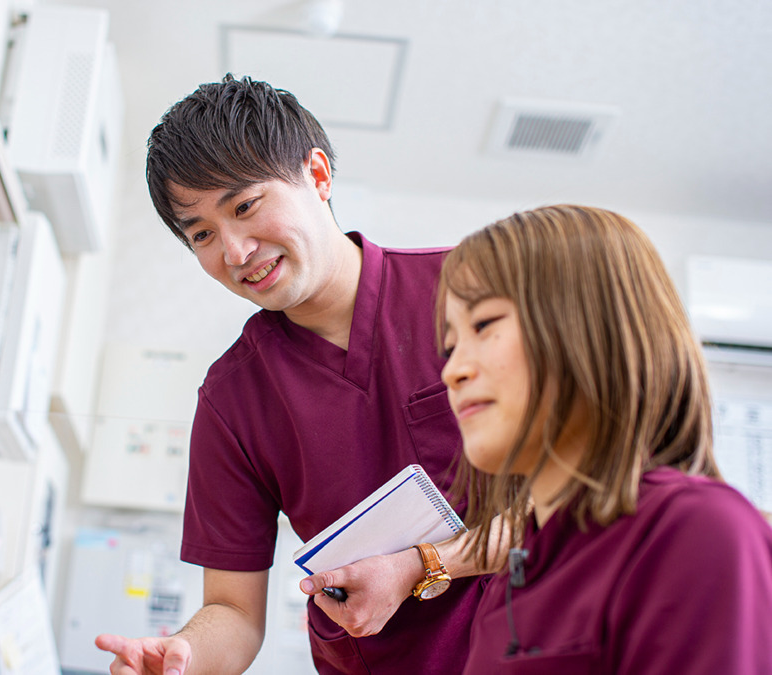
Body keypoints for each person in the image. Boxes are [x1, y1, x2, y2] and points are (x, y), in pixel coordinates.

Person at [95, 74, 500, 674]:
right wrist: (182, 656)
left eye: (244, 206)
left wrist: (421, 565)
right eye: (202, 234)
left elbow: (594, 496)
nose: (234, 252)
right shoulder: (233, 401)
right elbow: (234, 611)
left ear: (317, 175)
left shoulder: (472, 292)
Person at [435, 204, 772, 673]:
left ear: (593, 326)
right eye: (450, 345)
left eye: (484, 325)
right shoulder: (512, 582)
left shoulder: (695, 531)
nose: (452, 370)